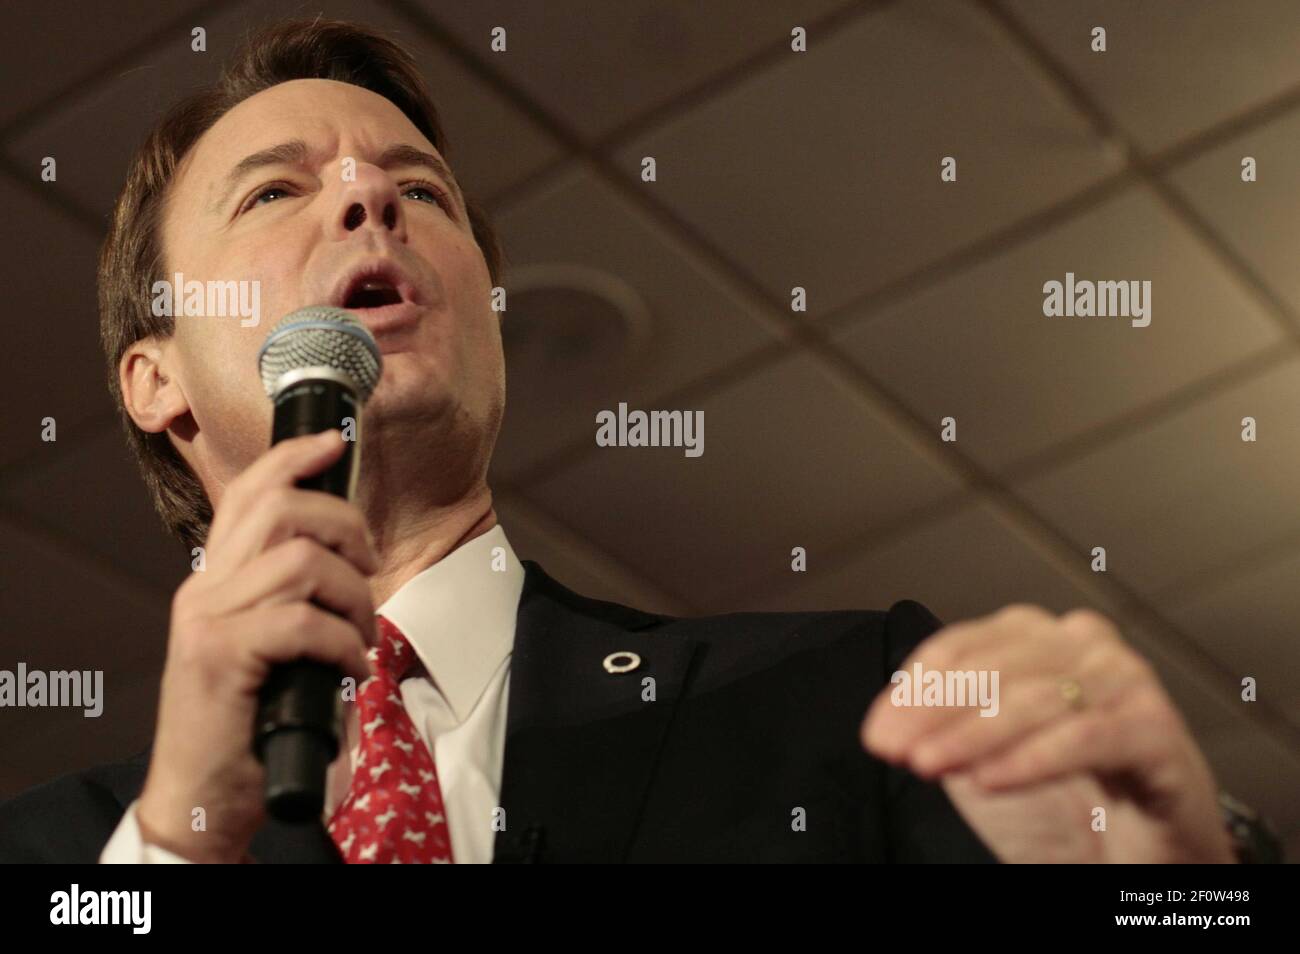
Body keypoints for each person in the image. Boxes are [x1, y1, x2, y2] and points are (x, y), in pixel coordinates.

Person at [0, 18, 1258, 863]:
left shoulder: (858, 702)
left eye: (420, 189)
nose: (367, 196)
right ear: (153, 377)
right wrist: (181, 844)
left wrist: (1178, 886)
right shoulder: (60, 851)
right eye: (275, 191)